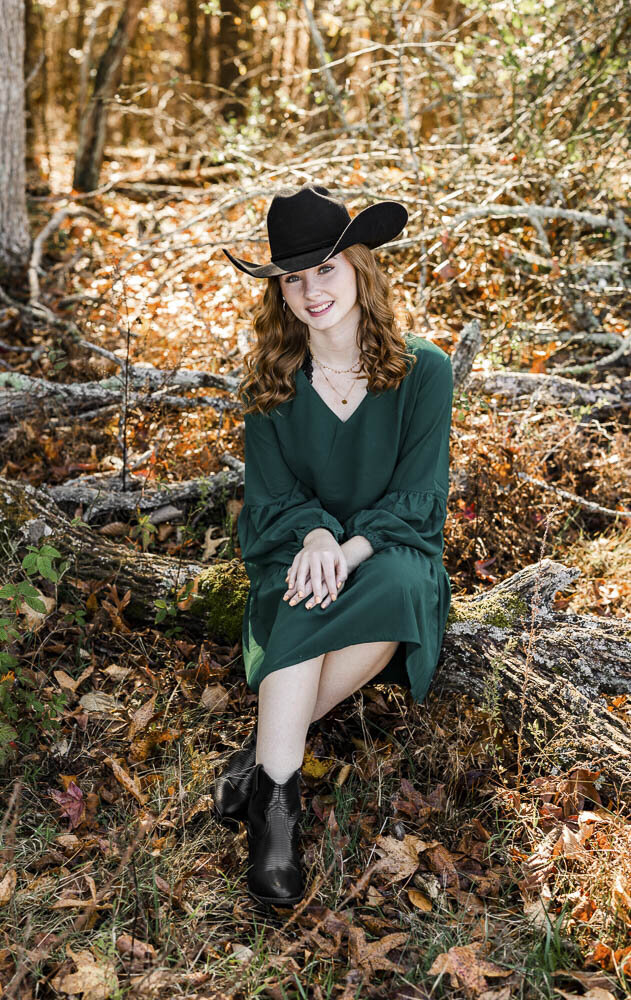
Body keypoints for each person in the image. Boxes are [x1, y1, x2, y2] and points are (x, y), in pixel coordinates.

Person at [212, 183, 454, 908]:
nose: (312, 290)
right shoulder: (271, 384)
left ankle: (260, 756)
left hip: (389, 551)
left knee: (401, 590)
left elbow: (416, 500)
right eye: (294, 277)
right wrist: (315, 537)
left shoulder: (423, 372)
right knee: (301, 587)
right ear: (280, 293)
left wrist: (345, 551)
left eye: (326, 270)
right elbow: (274, 502)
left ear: (358, 270)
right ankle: (276, 818)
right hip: (297, 552)